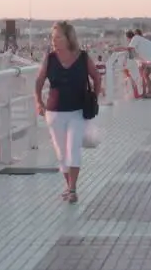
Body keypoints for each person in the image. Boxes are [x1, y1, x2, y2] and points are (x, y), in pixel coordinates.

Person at [35, 21, 103, 204]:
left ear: (69, 38)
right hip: (54, 112)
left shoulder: (82, 57)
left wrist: (94, 97)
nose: (55, 41)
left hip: (77, 111)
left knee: (73, 148)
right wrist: (38, 102)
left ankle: (73, 189)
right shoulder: (50, 58)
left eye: (58, 37)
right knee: (61, 153)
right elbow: (39, 81)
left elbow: (96, 77)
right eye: (53, 37)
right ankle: (69, 185)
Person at [125, 29, 151, 98]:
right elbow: (135, 53)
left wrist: (118, 49)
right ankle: (148, 93)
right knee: (146, 75)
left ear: (128, 37)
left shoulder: (135, 38)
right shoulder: (137, 39)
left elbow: (130, 49)